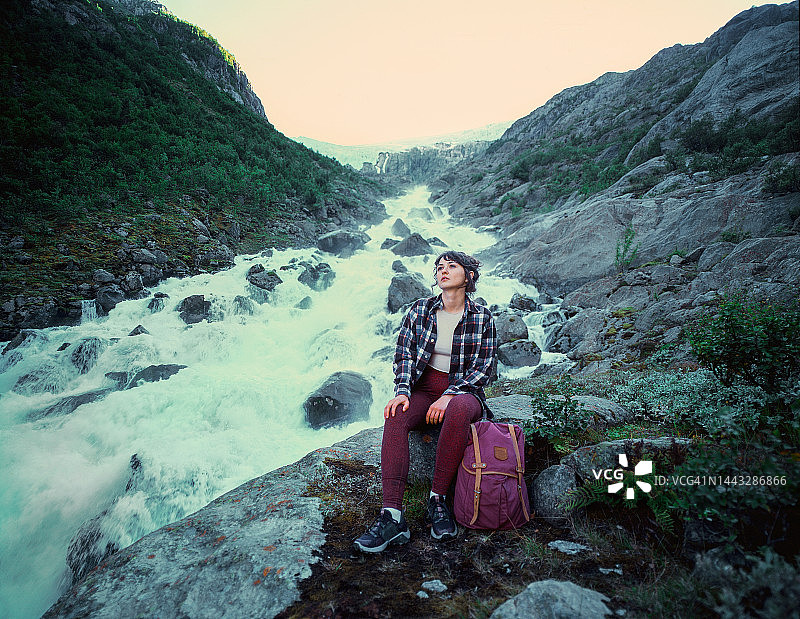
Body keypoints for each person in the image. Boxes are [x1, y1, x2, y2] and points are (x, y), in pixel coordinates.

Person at [354, 250, 497, 553]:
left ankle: (438, 500)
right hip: (423, 390)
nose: (443, 271)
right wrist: (403, 391)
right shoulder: (420, 309)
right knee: (396, 415)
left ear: (469, 276)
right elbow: (403, 355)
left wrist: (450, 394)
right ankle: (392, 516)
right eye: (439, 267)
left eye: (452, 266)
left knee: (459, 408)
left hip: (465, 392)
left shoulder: (482, 317)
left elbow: (484, 368)